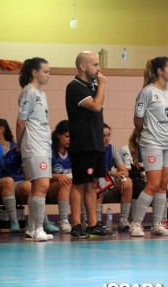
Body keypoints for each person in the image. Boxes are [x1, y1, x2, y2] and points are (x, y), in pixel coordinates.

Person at [65, 50, 113, 239]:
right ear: (83, 66)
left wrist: (98, 86)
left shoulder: (93, 86)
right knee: (79, 183)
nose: (99, 68)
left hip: (96, 142)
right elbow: (95, 106)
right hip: (82, 143)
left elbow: (99, 106)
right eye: (94, 64)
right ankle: (76, 224)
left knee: (93, 184)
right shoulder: (74, 87)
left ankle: (92, 224)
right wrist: (101, 85)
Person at [129, 56, 168, 237]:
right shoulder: (147, 92)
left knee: (164, 184)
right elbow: (138, 120)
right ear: (160, 71)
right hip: (153, 142)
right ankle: (136, 224)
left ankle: (158, 224)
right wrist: (144, 135)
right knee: (153, 183)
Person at [16, 57, 53, 242]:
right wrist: (19, 144)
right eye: (45, 71)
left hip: (44, 144)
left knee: (36, 188)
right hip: (33, 145)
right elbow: (21, 121)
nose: (48, 75)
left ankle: (31, 229)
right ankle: (39, 228)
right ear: (34, 73)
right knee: (42, 186)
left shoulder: (42, 94)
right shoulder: (29, 92)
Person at [120, 129, 168, 230]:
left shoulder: (151, 149)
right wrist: (142, 174)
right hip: (133, 178)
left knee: (162, 185)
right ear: (137, 139)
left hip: (146, 178)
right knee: (138, 185)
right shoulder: (126, 150)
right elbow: (129, 172)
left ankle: (161, 221)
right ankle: (135, 222)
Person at [81, 123, 133, 232]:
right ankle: (97, 221)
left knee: (128, 182)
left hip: (111, 189)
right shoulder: (90, 149)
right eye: (103, 136)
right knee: (99, 179)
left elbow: (124, 170)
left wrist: (123, 178)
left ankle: (123, 220)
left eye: (108, 135)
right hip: (93, 189)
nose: (106, 139)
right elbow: (90, 172)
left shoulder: (112, 149)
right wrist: (112, 173)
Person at [0, 118, 23, 233]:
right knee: (8, 181)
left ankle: (41, 223)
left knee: (29, 186)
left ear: (1, 129)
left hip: (17, 182)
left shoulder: (15, 146)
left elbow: (24, 167)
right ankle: (13, 221)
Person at [47, 120, 72, 233]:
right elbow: (42, 175)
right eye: (67, 136)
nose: (70, 139)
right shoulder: (49, 150)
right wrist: (57, 176)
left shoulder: (73, 151)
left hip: (70, 188)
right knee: (66, 182)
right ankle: (63, 220)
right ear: (58, 135)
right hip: (49, 189)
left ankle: (86, 220)